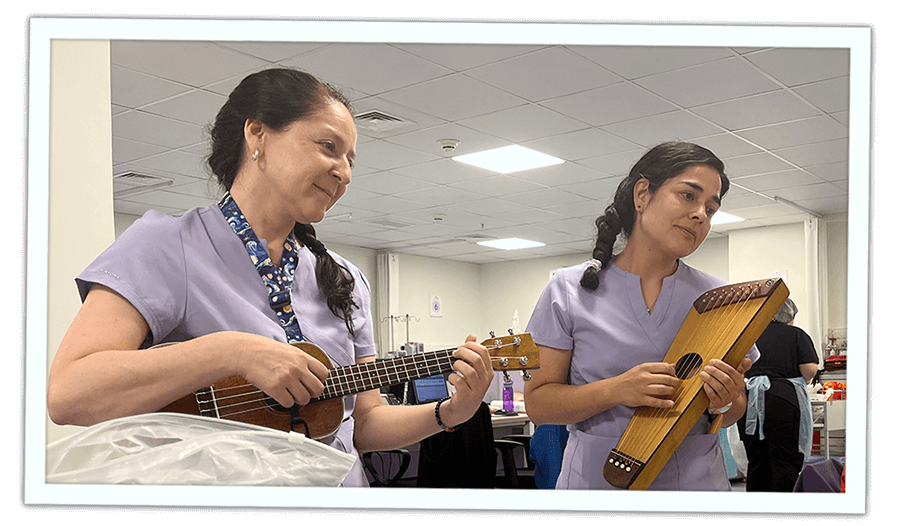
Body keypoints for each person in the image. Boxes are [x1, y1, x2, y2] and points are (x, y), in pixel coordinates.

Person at [46, 68, 494, 487]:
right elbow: (70, 394)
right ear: (257, 134)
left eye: (351, 159)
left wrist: (448, 412)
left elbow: (364, 422)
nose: (345, 172)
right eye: (328, 147)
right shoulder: (165, 244)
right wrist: (231, 351)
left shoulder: (346, 278)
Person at [523, 141, 757, 490]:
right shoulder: (569, 290)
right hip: (597, 483)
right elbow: (539, 405)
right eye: (689, 196)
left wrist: (728, 399)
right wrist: (617, 390)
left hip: (696, 484)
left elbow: (732, 413)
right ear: (643, 194)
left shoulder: (722, 299)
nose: (700, 215)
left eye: (711, 208)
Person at [738, 298, 819, 492]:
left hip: (748, 401)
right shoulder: (796, 335)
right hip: (783, 400)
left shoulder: (750, 335)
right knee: (784, 460)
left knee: (756, 460)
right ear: (790, 316)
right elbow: (809, 370)